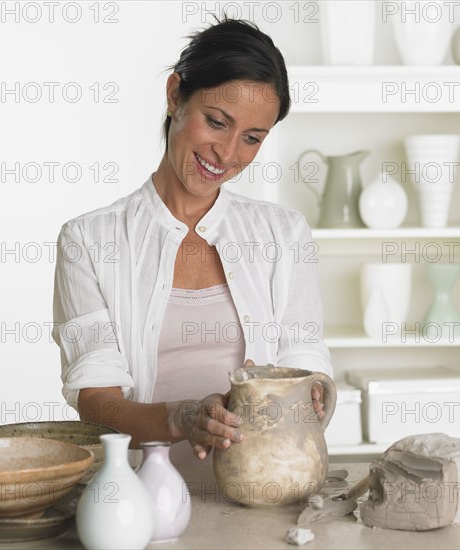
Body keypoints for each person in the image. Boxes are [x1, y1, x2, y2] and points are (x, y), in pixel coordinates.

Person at [52, 18, 332, 464]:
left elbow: (307, 361)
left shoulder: (284, 235)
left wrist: (313, 393)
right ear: (174, 96)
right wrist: (181, 419)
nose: (228, 154)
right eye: (217, 122)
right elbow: (95, 402)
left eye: (252, 138)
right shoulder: (89, 240)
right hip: (141, 502)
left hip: (261, 493)